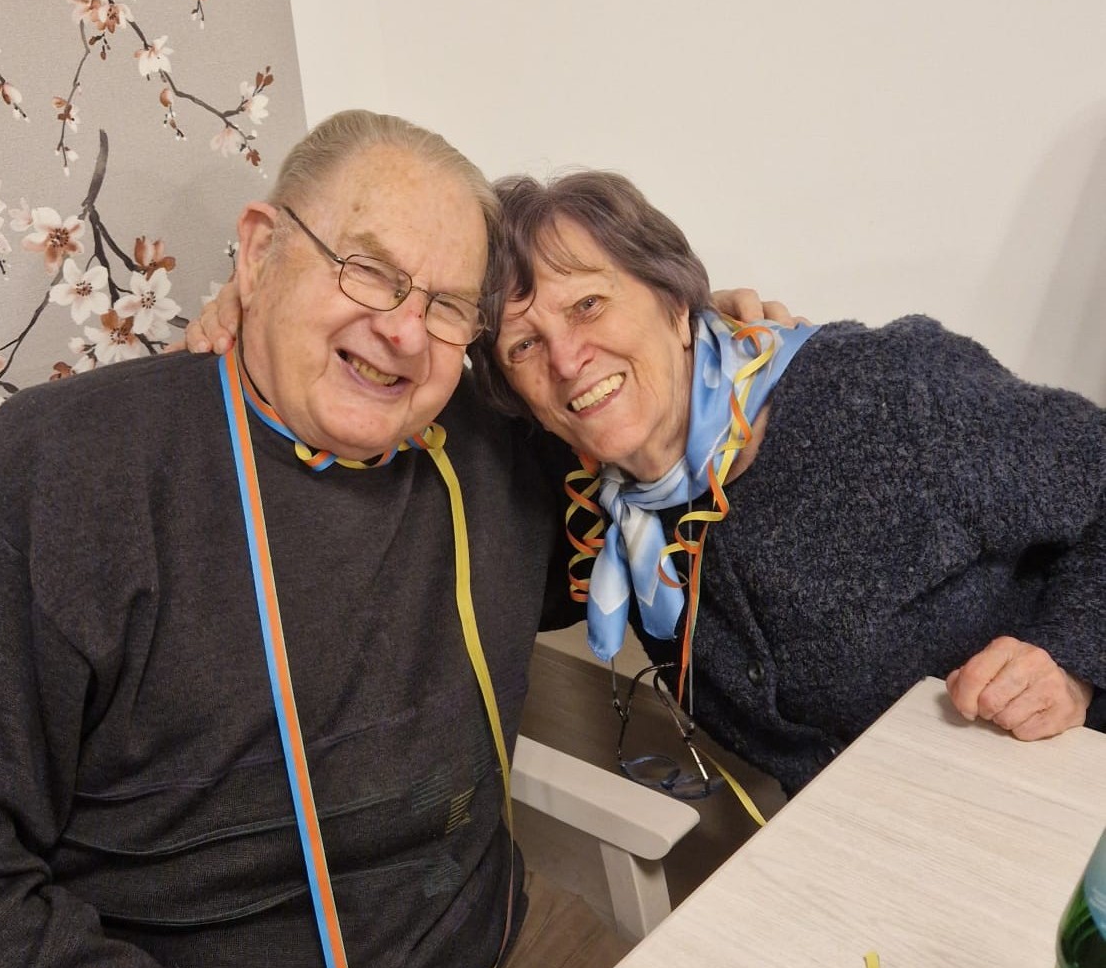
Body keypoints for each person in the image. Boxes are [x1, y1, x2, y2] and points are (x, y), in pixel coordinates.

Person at [0, 110, 647, 968]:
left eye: (446, 306)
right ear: (256, 251)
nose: (402, 330)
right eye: (366, 269)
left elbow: (645, 389)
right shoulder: (62, 474)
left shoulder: (492, 448)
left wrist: (722, 338)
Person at [462, 170, 1105, 794]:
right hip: (864, 834)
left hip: (1066, 792)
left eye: (589, 305)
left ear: (675, 304)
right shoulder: (597, 505)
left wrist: (1070, 660)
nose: (566, 359)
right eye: (524, 345)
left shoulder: (887, 390)